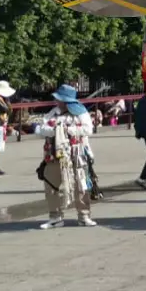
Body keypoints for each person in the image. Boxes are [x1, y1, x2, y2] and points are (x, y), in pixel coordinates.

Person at [36, 85, 96, 228]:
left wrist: (67, 130)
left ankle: (84, 215)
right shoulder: (53, 113)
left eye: (60, 99)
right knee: (51, 184)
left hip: (77, 154)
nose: (57, 101)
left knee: (80, 184)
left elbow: (88, 129)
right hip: (55, 154)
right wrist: (56, 131)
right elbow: (40, 129)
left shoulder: (81, 112)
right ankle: (55, 217)